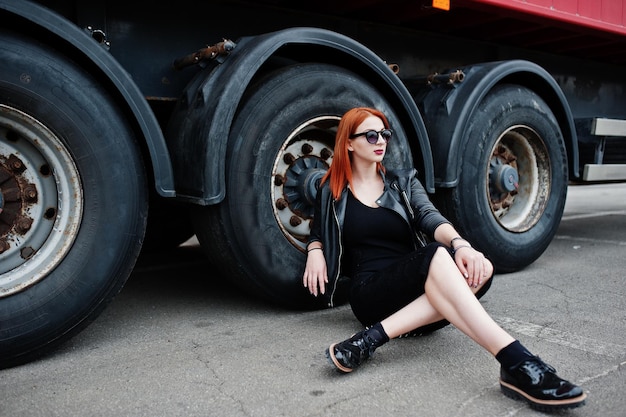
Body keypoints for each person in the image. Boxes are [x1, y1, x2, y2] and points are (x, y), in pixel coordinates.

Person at [302, 107, 586, 411]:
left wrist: (461, 245)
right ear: (348, 142)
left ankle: (370, 339)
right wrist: (315, 250)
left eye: (385, 134)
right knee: (441, 259)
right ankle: (516, 361)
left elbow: (430, 217)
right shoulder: (330, 190)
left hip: (417, 291)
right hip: (372, 292)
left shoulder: (403, 181)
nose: (381, 141)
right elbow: (318, 231)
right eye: (371, 135)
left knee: (482, 267)